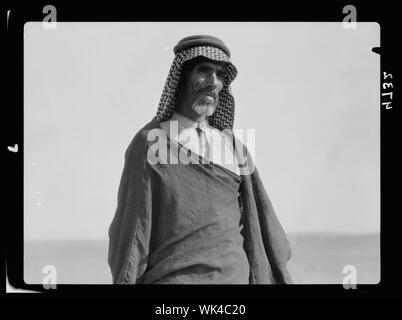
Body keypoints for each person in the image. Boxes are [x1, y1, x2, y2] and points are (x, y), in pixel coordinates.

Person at [107, 35, 292, 284]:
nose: (213, 83)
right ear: (181, 77)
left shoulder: (235, 148)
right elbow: (132, 238)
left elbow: (264, 231)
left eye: (220, 74)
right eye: (204, 71)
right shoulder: (150, 142)